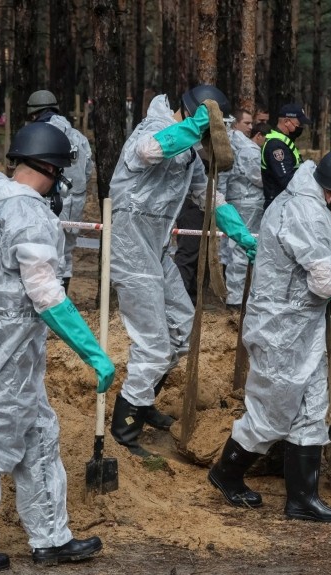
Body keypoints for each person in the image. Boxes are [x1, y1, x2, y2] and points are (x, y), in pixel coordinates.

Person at [0, 123, 115, 572]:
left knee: (38, 435)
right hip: (6, 347)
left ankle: (51, 537)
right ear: (52, 170)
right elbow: (46, 292)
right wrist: (91, 350)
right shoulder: (28, 213)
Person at [208, 148, 331, 522]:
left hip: (304, 320)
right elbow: (322, 279)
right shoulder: (302, 212)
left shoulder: (320, 206)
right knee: (273, 409)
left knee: (312, 408)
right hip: (280, 324)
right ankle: (227, 472)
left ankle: (303, 498)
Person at [109, 84, 230, 456]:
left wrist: (237, 230)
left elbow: (206, 194)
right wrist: (194, 128)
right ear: (193, 115)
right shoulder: (152, 129)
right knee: (155, 345)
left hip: (158, 248)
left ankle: (143, 403)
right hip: (130, 247)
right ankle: (124, 431)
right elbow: (148, 152)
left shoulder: (191, 152)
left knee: (183, 329)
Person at [26, 90, 94, 293]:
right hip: (73, 206)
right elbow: (88, 170)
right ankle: (61, 303)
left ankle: (48, 303)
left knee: (43, 253)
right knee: (65, 254)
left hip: (44, 203)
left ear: (34, 113)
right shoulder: (79, 138)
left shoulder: (38, 135)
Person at [216, 119, 266, 308]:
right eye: (246, 122)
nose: (251, 126)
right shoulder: (248, 149)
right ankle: (238, 298)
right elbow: (257, 176)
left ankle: (235, 295)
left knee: (232, 249)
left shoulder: (229, 145)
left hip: (232, 201)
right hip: (247, 202)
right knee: (241, 250)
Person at [261, 103, 311, 208]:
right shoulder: (276, 146)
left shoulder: (285, 142)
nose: (301, 127)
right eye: (299, 124)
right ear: (286, 121)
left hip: (286, 202)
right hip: (277, 205)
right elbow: (286, 179)